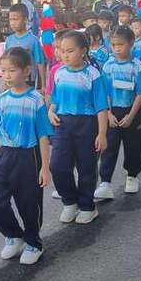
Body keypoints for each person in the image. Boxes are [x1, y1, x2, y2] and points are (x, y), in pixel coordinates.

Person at [0, 47, 53, 266]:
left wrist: (45, 167)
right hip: (5, 154)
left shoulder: (36, 100)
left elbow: (43, 135)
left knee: (28, 203)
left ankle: (34, 242)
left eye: (12, 70)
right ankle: (14, 236)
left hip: (28, 156)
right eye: (3, 70)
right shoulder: (2, 100)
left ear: (26, 71)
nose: (6, 75)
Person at [49, 30, 108, 224]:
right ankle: (70, 202)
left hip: (87, 124)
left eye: (70, 51)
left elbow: (101, 106)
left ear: (83, 51)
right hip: (63, 125)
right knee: (57, 165)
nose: (65, 55)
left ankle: (87, 206)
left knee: (86, 167)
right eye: (62, 50)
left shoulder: (93, 74)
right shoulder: (59, 72)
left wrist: (102, 133)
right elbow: (55, 99)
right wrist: (50, 111)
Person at [97, 26, 141, 201]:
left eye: (121, 44)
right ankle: (105, 182)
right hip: (112, 111)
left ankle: (132, 175)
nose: (117, 48)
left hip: (132, 111)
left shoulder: (137, 66)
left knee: (133, 146)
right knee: (109, 147)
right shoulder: (108, 66)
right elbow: (104, 92)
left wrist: (131, 115)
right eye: (113, 45)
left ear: (131, 43)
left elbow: (140, 93)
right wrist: (108, 114)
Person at [4, 3, 47, 87]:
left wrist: (43, 85)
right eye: (10, 20)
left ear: (25, 20)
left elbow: (40, 63)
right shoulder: (9, 40)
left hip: (29, 81)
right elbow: (6, 61)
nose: (12, 23)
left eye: (15, 19)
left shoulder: (33, 40)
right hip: (12, 81)